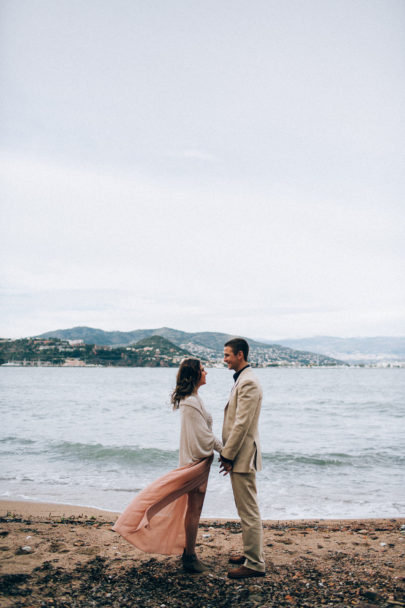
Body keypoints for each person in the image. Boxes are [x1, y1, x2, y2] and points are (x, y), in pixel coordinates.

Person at [112, 358, 222, 573]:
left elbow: (204, 436)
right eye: (202, 369)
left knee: (193, 510)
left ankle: (188, 554)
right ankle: (188, 556)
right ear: (194, 375)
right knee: (190, 509)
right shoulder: (191, 403)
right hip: (195, 465)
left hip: (200, 463)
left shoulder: (195, 399)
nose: (206, 372)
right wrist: (227, 452)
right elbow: (205, 438)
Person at [219, 338, 266, 579]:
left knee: (248, 510)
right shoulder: (242, 379)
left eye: (227, 355)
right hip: (240, 454)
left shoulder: (248, 383)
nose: (224, 359)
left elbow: (242, 425)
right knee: (245, 508)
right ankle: (250, 553)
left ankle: (255, 564)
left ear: (240, 354)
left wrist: (227, 455)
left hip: (243, 455)